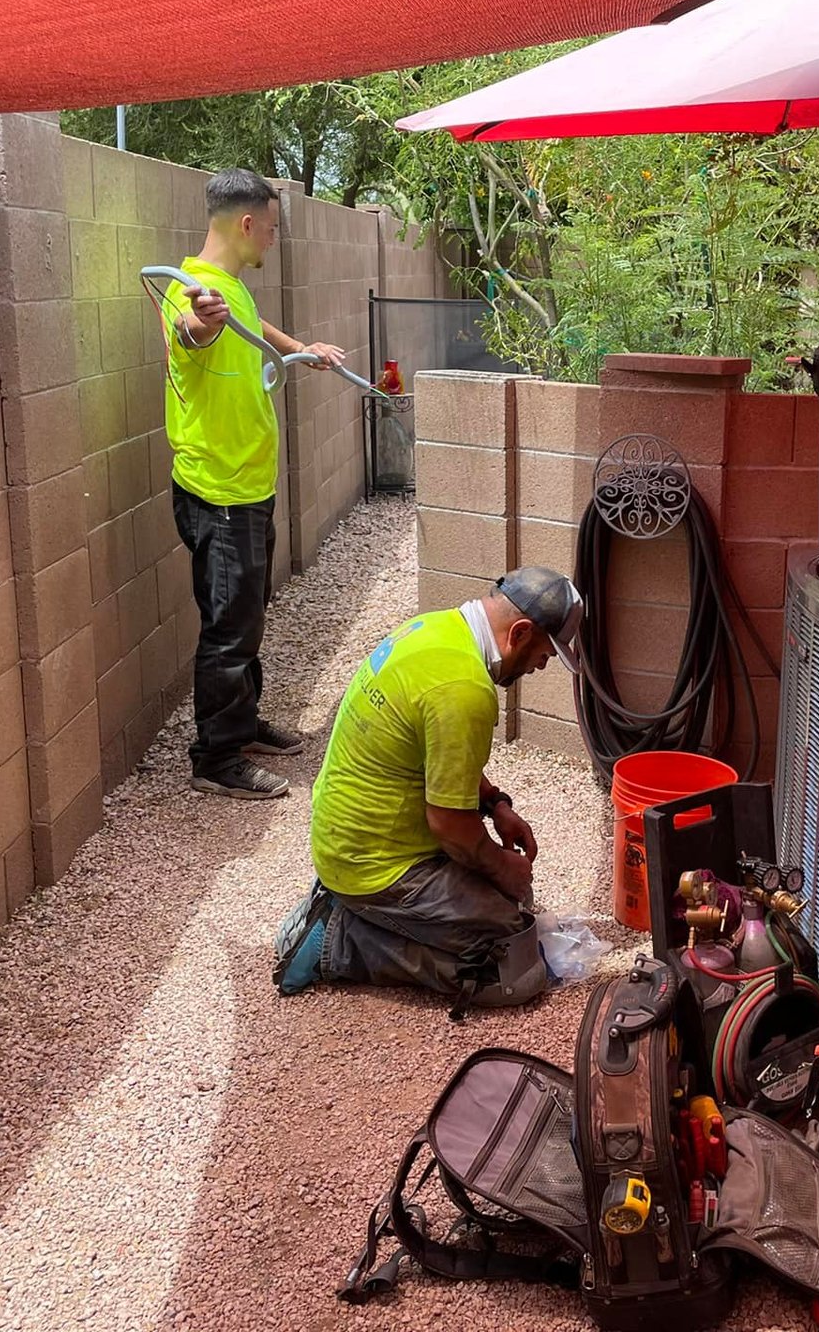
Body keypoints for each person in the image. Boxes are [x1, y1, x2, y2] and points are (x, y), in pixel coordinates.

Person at [272, 568, 585, 1010]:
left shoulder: (437, 629)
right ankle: (339, 940)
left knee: (515, 899)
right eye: (545, 653)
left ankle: (357, 908)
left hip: (351, 838)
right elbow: (449, 825)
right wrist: (500, 866)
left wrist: (495, 804)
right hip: (375, 864)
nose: (542, 665)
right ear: (520, 632)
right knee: (515, 965)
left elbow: (436, 751)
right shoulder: (464, 688)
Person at [163, 169, 347, 799]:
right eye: (270, 228)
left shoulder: (231, 288)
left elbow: (250, 326)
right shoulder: (192, 296)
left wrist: (303, 347)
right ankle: (214, 758)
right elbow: (197, 333)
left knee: (246, 616)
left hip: (247, 486)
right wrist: (201, 324)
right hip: (219, 491)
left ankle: (240, 723)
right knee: (229, 626)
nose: (272, 239)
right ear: (246, 225)